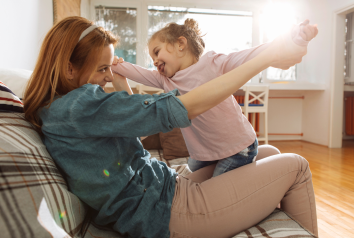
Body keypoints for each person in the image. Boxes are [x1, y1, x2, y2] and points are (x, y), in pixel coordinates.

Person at [23, 16, 318, 238]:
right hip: (167, 212)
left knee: (266, 152)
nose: (106, 77)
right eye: (102, 69)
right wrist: (269, 57)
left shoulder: (64, 109)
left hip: (162, 190)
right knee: (297, 166)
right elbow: (183, 106)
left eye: (107, 68)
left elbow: (131, 124)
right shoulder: (79, 105)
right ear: (69, 68)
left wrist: (117, 77)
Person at [111, 18, 318, 176]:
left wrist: (296, 37)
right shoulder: (164, 79)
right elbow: (138, 72)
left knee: (218, 194)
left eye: (157, 52)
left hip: (237, 148)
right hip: (203, 154)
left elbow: (254, 54)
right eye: (152, 58)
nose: (155, 62)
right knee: (190, 185)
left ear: (180, 44)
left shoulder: (213, 63)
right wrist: (113, 63)